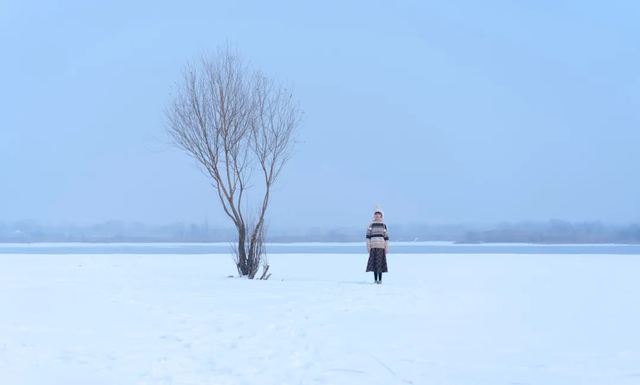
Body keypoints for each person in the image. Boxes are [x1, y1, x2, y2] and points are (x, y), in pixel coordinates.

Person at [365, 204, 389, 284]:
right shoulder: (371, 224)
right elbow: (368, 236)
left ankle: (380, 280)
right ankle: (375, 280)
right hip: (373, 246)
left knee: (380, 264)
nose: (377, 215)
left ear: (381, 215)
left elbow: (386, 237)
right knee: (374, 264)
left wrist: (386, 247)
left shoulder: (384, 225)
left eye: (379, 214)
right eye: (376, 214)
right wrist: (368, 246)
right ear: (374, 215)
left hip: (381, 246)